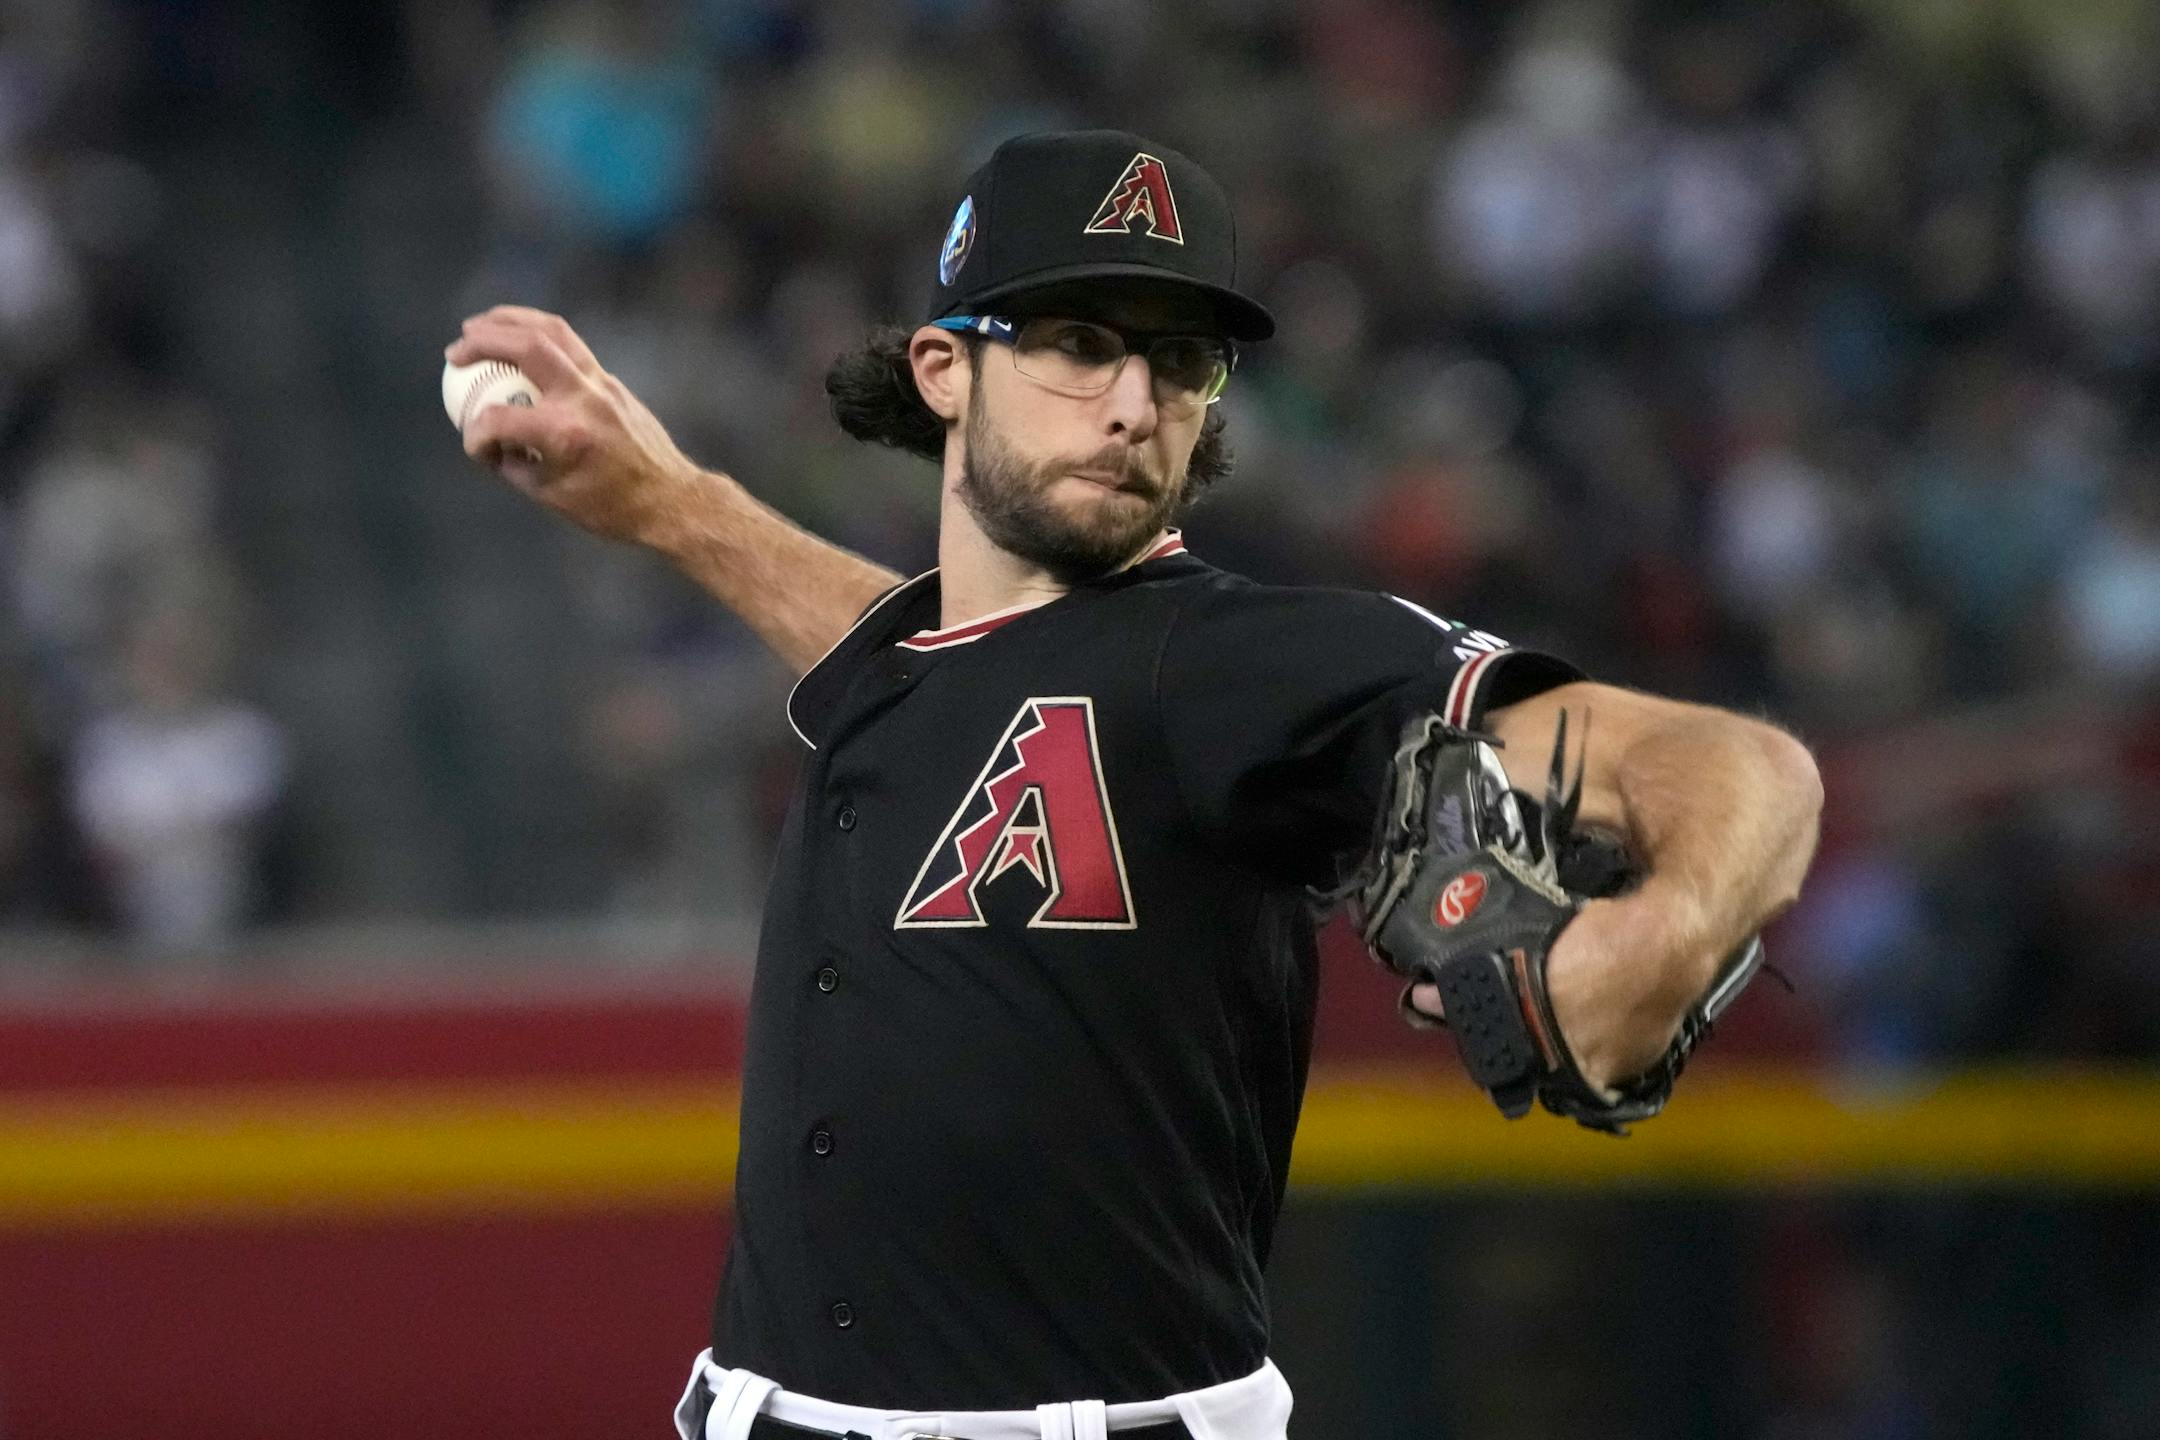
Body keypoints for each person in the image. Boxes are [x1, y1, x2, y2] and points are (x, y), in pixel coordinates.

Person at [447, 130, 1822, 1440]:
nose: (1131, 401)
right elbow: (927, 654)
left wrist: (1664, 929)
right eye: (1076, 343)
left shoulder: (1236, 665)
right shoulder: (923, 668)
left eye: (1181, 361)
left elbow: (1742, 767)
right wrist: (670, 502)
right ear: (943, 368)